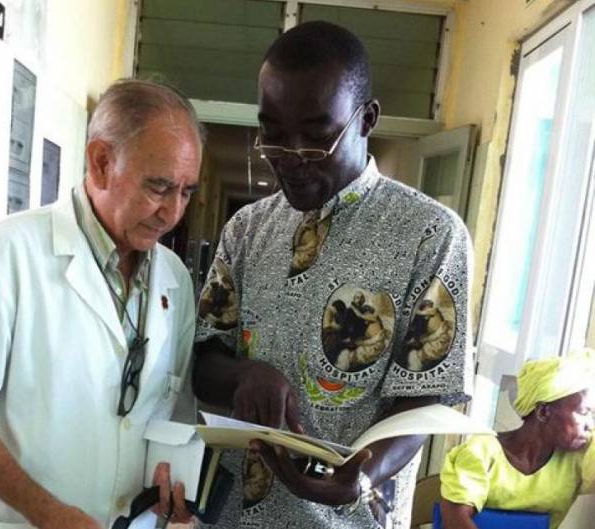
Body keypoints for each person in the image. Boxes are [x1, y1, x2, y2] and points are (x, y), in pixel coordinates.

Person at [192, 20, 473, 529]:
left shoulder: (430, 236)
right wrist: (246, 374)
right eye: (273, 136)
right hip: (232, 516)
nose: (291, 158)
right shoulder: (247, 230)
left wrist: (362, 474)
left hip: (350, 518)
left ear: (366, 119)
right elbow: (204, 358)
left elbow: (426, 396)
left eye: (317, 136)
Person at [0, 79, 204, 529]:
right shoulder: (6, 253)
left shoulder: (175, 280)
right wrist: (46, 513)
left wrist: (173, 478)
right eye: (159, 186)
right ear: (102, 162)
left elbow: (170, 408)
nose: (173, 212)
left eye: (186, 191)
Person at [440, 353, 595, 529]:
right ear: (543, 412)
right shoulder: (482, 452)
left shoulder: (578, 458)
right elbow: (454, 520)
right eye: (583, 413)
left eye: (593, 415)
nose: (589, 425)